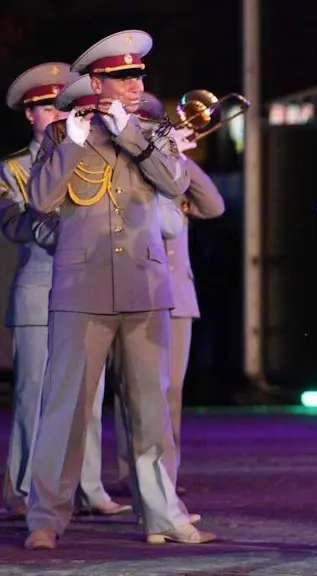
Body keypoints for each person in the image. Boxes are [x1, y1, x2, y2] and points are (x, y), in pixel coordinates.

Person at [23, 29, 213, 548]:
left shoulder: (150, 131)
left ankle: (162, 514)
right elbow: (40, 200)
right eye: (125, 76)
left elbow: (177, 183)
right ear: (98, 81)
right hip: (82, 291)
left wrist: (131, 131)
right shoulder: (65, 138)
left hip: (145, 290)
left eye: (139, 76)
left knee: (151, 412)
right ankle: (46, 516)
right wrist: (73, 148)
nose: (137, 84)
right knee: (66, 409)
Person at [0, 63, 131, 520]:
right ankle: (21, 490)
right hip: (39, 291)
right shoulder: (13, 167)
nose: (55, 114)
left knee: (89, 397)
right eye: (43, 108)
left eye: (61, 105)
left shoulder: (87, 151)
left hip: (82, 286)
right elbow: (16, 223)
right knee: (34, 397)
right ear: (28, 115)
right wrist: (66, 229)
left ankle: (88, 488)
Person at [112, 92, 226, 499]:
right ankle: (131, 476)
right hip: (133, 288)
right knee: (131, 390)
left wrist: (176, 153)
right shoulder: (121, 164)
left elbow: (214, 205)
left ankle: (166, 480)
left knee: (169, 394)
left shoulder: (174, 166)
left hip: (177, 295)